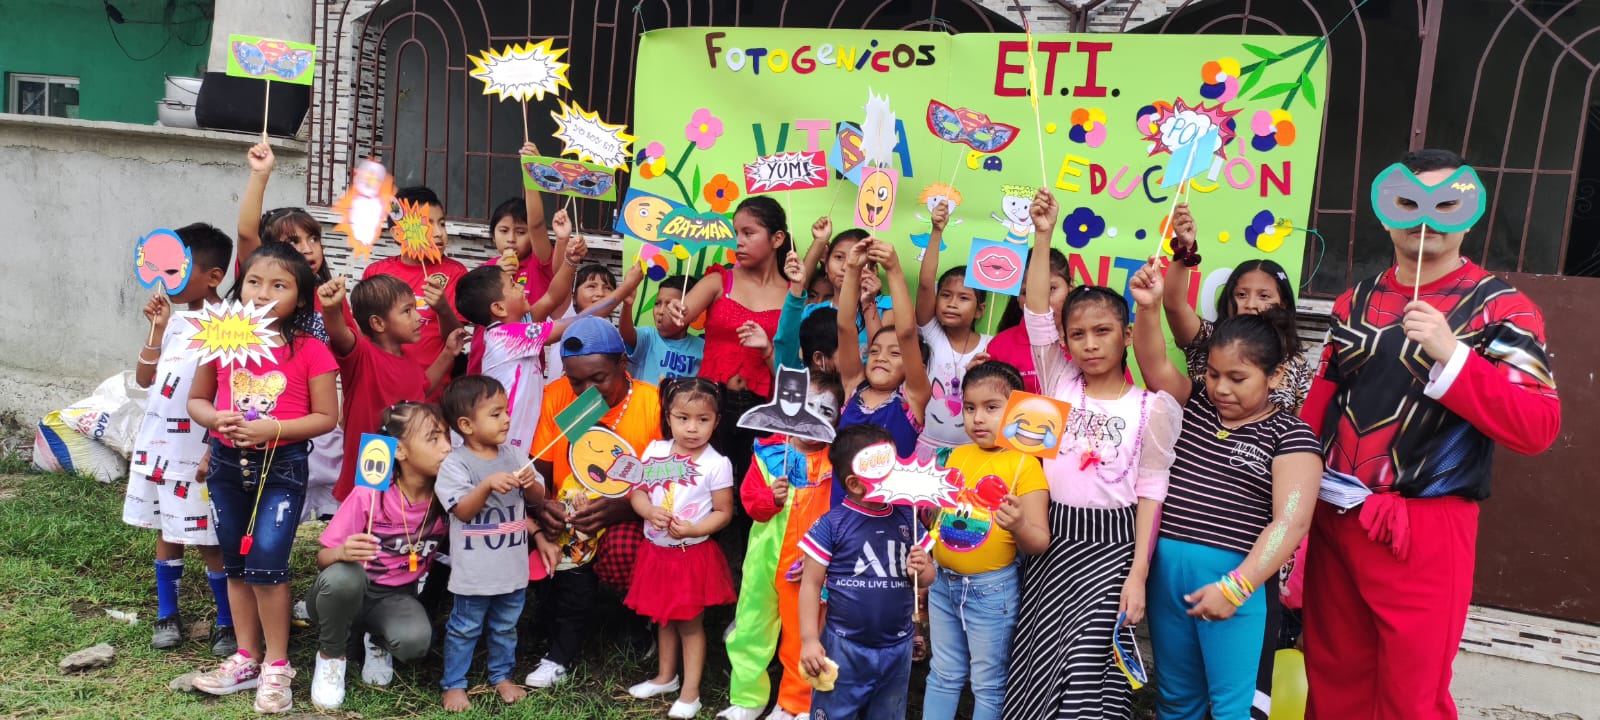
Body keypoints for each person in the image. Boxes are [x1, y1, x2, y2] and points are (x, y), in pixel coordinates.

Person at [1299, 149, 1561, 719]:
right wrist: (1290, 503)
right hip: (1335, 515)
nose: (1425, 219)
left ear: (1469, 213)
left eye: (1444, 205)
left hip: (1425, 526)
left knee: (1412, 696)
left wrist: (1454, 355)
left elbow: (1538, 426)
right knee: (1332, 677)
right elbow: (1320, 406)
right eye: (1408, 202)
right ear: (1386, 211)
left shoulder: (1506, 310)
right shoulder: (1353, 301)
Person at [1003, 190, 1181, 720]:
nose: (1090, 344)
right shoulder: (1058, 383)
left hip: (1113, 550)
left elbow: (1151, 493)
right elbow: (1037, 311)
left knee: (1086, 664)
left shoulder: (1151, 407)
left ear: (1126, 335)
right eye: (1077, 334)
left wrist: (1138, 573)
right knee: (1042, 660)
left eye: (1102, 331)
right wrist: (1042, 235)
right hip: (1053, 541)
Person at [1130, 258, 1324, 718]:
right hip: (1167, 580)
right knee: (1175, 701)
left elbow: (1290, 522)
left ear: (1275, 377)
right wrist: (1148, 308)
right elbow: (1154, 365)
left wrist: (1238, 587)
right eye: (1214, 374)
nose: (1221, 388)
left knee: (1232, 709)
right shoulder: (1194, 403)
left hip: (1235, 584)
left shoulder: (1290, 435)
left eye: (1238, 379)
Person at [185, 242, 339, 714]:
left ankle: (277, 665)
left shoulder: (311, 349)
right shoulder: (220, 340)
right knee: (236, 563)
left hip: (282, 468)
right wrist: (215, 419)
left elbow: (326, 417)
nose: (263, 292)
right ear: (240, 286)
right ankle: (246, 657)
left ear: (301, 297)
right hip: (226, 466)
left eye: (279, 285)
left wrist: (273, 429)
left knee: (268, 564)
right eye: (254, 281)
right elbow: (197, 401)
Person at [527, 316, 663, 688]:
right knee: (529, 535)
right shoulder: (558, 396)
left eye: (598, 378)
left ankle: (635, 617)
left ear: (623, 363)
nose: (586, 391)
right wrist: (544, 508)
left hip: (630, 513)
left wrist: (624, 508)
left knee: (623, 549)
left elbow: (667, 482)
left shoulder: (652, 403)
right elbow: (540, 469)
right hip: (567, 512)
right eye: (576, 381)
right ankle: (549, 617)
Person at [124, 223, 236, 655]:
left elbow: (228, 388)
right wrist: (156, 329)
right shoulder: (171, 321)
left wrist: (213, 447)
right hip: (159, 448)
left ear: (213, 276)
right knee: (166, 529)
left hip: (198, 451)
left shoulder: (228, 324)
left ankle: (226, 621)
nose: (166, 278)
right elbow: (144, 378)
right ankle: (167, 614)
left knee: (208, 538)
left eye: (177, 269)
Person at [922, 361, 1049, 720]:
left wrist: (1019, 524)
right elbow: (939, 521)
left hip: (991, 593)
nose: (978, 418)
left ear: (1017, 411)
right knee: (942, 673)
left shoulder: (1026, 465)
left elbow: (1039, 542)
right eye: (969, 407)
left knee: (988, 683)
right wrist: (928, 532)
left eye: (992, 407)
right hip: (942, 585)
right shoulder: (956, 456)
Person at [306, 403, 450, 712]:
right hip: (347, 593)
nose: (447, 447)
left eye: (446, 437)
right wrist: (342, 552)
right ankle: (331, 656)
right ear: (400, 451)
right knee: (344, 576)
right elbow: (322, 559)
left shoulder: (448, 497)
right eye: (433, 438)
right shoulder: (369, 494)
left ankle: (376, 639)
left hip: (396, 597)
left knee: (415, 643)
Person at [719, 372, 846, 720]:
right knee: (751, 626)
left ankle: (795, 703)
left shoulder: (836, 464)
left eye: (825, 410)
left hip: (806, 565)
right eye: (806, 405)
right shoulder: (768, 452)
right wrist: (768, 498)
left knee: (802, 633)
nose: (812, 417)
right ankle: (748, 698)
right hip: (763, 558)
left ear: (837, 418)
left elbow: (841, 517)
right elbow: (749, 503)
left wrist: (826, 561)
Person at [798, 423, 933, 720]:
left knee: (888, 713)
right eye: (886, 469)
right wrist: (809, 639)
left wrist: (922, 569)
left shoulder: (907, 519)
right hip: (844, 645)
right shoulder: (832, 524)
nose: (896, 473)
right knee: (835, 711)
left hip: (898, 645)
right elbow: (810, 584)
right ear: (855, 483)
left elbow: (927, 579)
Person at [624, 378, 738, 719]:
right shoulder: (655, 451)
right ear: (668, 417)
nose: (692, 428)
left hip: (690, 556)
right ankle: (665, 677)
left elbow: (724, 511)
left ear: (716, 421)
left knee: (689, 623)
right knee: (663, 616)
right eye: (683, 418)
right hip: (656, 552)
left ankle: (691, 693)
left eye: (703, 419)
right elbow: (637, 492)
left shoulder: (716, 463)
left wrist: (693, 529)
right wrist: (649, 511)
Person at [660, 196, 792, 483]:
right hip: (710, 406)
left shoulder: (792, 296)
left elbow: (792, 373)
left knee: (754, 490)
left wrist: (767, 349)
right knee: (703, 485)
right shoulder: (719, 280)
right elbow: (671, 326)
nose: (738, 242)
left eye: (748, 233)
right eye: (736, 233)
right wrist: (673, 312)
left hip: (764, 410)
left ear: (777, 238)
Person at [437, 377, 550, 711]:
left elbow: (538, 498)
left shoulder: (514, 454)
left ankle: (502, 675)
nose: (506, 419)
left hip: (512, 569)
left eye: (506, 411)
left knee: (505, 627)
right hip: (474, 573)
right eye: (496, 414)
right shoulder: (455, 464)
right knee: (465, 628)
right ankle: (454, 684)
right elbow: (462, 511)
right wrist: (486, 485)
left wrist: (530, 484)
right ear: (466, 425)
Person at [454, 233, 621, 451]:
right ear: (499, 308)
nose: (521, 287)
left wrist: (571, 260)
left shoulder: (514, 328)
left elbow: (552, 296)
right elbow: (577, 320)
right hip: (507, 444)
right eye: (513, 285)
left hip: (525, 438)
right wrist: (626, 287)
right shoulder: (510, 337)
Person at [320, 274, 465, 502]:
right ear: (378, 323)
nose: (418, 317)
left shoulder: (408, 358)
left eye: (415, 309)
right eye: (407, 311)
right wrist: (331, 309)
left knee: (403, 513)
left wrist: (448, 353)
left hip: (407, 468)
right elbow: (340, 335)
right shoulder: (362, 356)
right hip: (371, 464)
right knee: (368, 514)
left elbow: (423, 388)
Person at [1159, 204, 1311, 413]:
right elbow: (1173, 305)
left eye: (1264, 296)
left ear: (1283, 303)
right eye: (1241, 294)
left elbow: (1301, 420)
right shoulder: (1207, 339)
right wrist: (1184, 248)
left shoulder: (1296, 362)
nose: (1251, 304)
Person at [362, 186, 467, 394]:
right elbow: (363, 336)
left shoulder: (455, 272)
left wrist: (443, 309)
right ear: (398, 234)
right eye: (427, 225)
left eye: (442, 223)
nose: (439, 233)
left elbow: (455, 339)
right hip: (382, 386)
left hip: (433, 390)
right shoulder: (377, 273)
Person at [836, 237, 930, 459]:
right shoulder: (853, 386)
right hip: (842, 484)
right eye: (874, 350)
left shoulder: (912, 397)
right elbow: (845, 327)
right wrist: (852, 269)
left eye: (895, 353)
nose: (881, 357)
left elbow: (907, 333)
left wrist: (893, 268)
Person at [913, 200, 992, 460]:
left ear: (980, 310)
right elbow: (925, 285)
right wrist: (937, 231)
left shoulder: (991, 346)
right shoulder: (931, 334)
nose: (952, 303)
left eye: (963, 298)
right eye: (946, 295)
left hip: (971, 453)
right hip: (926, 446)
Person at [980, 247, 1071, 395]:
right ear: (1018, 299)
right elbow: (987, 400)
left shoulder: (1086, 342)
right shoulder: (1000, 346)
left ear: (1070, 289)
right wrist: (975, 380)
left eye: (1051, 289)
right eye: (1026, 292)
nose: (1040, 301)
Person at [627, 275, 706, 386]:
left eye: (670, 306)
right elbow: (626, 334)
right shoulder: (649, 337)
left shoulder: (702, 348)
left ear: (694, 315)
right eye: (657, 303)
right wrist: (627, 306)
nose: (660, 311)